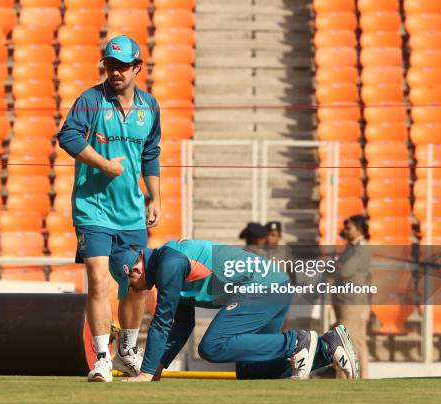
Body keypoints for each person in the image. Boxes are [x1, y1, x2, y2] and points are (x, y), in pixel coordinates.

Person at [57, 35, 162, 382]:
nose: (115, 72)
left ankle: (126, 352)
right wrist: (102, 164)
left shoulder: (150, 106)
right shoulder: (90, 100)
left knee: (137, 283)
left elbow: (150, 154)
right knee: (98, 279)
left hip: (130, 212)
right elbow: (68, 137)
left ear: (137, 68)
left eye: (122, 66)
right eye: (109, 66)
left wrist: (155, 198)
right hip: (92, 209)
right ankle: (102, 357)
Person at [108, 240, 360, 382]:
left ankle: (297, 341)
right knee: (252, 371)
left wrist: (146, 372)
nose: (133, 288)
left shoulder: (168, 265)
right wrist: (159, 367)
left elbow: (163, 321)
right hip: (276, 287)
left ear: (135, 268)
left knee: (213, 345)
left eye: (129, 283)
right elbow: (181, 323)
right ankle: (328, 347)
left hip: (264, 287)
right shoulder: (168, 260)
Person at [330, 215, 370, 379]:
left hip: (351, 302)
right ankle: (361, 377)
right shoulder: (351, 248)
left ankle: (346, 377)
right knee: (357, 341)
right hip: (346, 300)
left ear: (359, 229)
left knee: (346, 340)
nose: (345, 231)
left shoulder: (360, 249)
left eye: (349, 228)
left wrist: (334, 267)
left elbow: (345, 271)